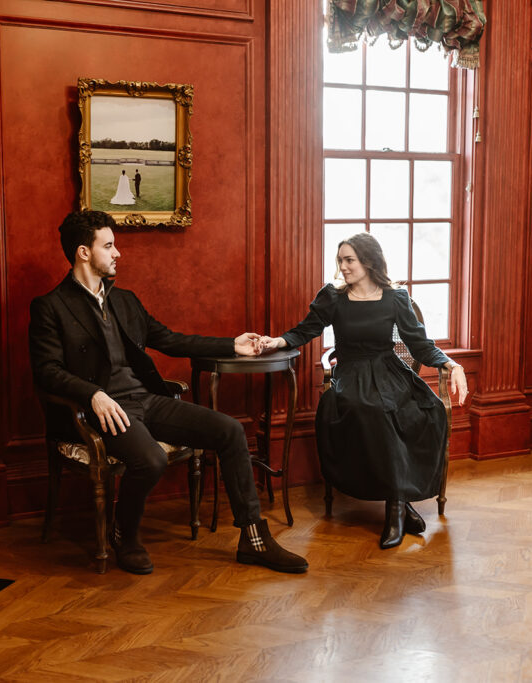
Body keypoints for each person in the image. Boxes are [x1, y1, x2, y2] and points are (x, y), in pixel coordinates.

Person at [29, 210, 308, 575]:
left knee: (229, 430)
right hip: (102, 411)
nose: (117, 253)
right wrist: (93, 394)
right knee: (151, 460)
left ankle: (254, 539)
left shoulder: (124, 300)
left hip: (145, 400)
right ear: (84, 252)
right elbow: (47, 372)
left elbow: (171, 340)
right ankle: (124, 536)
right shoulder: (51, 307)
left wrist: (231, 345)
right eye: (109, 246)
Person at [259, 232, 468, 549]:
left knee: (426, 409)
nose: (342, 267)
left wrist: (452, 365)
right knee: (372, 411)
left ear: (368, 261)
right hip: (352, 372)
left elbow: (420, 345)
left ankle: (398, 503)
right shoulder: (334, 297)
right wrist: (278, 341)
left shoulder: (395, 298)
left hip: (390, 371)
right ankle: (399, 507)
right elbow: (307, 329)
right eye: (340, 260)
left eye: (349, 260)